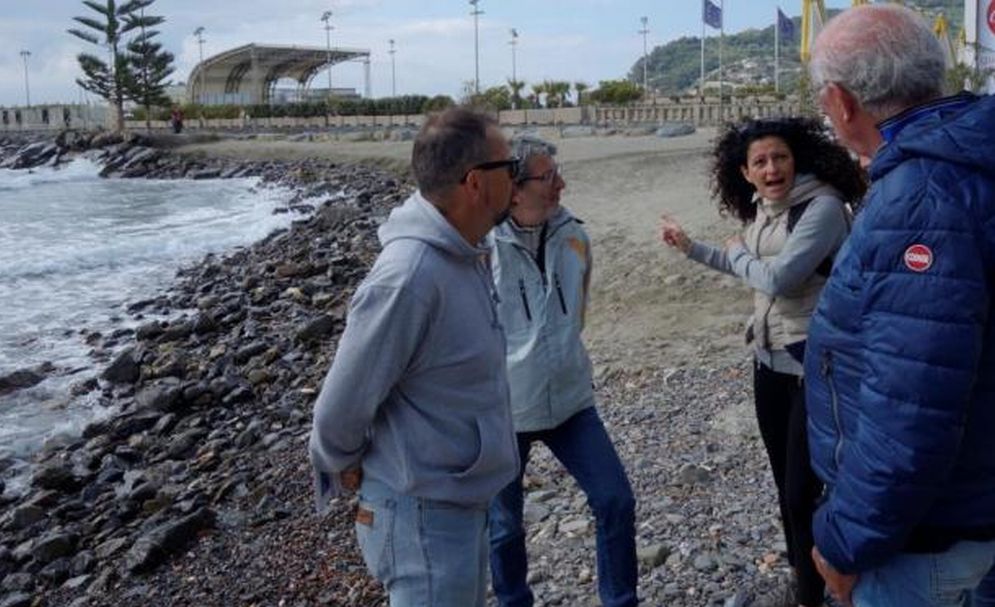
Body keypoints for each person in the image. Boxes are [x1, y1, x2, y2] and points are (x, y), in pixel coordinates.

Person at [804, 5, 995, 606]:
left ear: (839, 101)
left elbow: (911, 409)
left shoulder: (921, 198)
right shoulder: (968, 159)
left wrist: (846, 539)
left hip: (934, 533)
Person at [309, 107, 521, 607]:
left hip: (456, 506)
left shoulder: (465, 253)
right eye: (509, 168)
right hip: (420, 515)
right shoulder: (409, 278)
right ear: (475, 183)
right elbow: (338, 409)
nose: (517, 178)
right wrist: (342, 463)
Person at [660, 117, 866, 607]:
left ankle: (828, 584)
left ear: (798, 159)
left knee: (803, 490)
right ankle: (804, 580)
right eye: (760, 162)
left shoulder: (823, 207)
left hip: (815, 365)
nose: (772, 169)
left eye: (780, 157)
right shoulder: (762, 213)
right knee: (783, 483)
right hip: (768, 359)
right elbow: (748, 268)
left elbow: (781, 279)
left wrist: (738, 253)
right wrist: (692, 247)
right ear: (745, 173)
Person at [488, 135, 638, 607]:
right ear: (513, 189)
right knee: (504, 526)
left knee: (616, 501)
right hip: (503, 412)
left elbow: (578, 315)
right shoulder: (480, 250)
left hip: (571, 400)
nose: (561, 184)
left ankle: (621, 601)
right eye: (548, 176)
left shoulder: (576, 235)